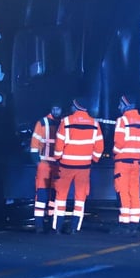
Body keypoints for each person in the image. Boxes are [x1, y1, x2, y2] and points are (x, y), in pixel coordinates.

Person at [53, 98, 104, 234]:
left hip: (66, 166)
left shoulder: (66, 122)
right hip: (84, 167)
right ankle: (75, 227)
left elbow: (59, 143)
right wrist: (93, 159)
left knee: (61, 196)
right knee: (80, 197)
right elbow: (99, 146)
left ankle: (57, 227)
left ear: (76, 106)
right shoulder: (94, 124)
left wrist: (58, 157)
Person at [111, 94, 140, 234]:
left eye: (120, 104)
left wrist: (114, 153)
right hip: (136, 163)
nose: (118, 107)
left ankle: (124, 224)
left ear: (125, 105)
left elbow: (119, 143)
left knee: (122, 192)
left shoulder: (122, 121)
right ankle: (134, 223)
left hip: (122, 162)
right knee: (134, 192)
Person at [29, 103, 63, 233]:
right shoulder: (42, 122)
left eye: (58, 108)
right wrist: (37, 162)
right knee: (42, 194)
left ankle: (50, 220)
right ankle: (39, 224)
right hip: (44, 164)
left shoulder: (63, 122)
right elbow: (34, 144)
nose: (56, 111)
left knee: (54, 195)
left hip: (57, 164)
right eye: (54, 108)